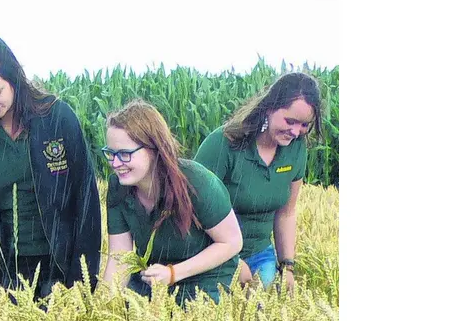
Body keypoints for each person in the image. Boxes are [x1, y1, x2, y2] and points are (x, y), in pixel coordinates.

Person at [0, 36, 102, 303]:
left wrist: (81, 282)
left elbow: (86, 203)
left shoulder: (57, 119)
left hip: (60, 271)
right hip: (3, 277)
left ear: (14, 78)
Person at [100, 100, 243, 305]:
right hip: (154, 276)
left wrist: (174, 273)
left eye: (124, 154)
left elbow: (232, 242)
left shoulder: (197, 181)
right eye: (110, 154)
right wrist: (103, 308)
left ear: (154, 148)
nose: (115, 164)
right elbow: (119, 256)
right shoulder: (117, 187)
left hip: (207, 276)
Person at [194, 72, 324, 288]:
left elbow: (286, 213)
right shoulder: (222, 144)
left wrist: (287, 265)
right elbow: (192, 211)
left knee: (268, 308)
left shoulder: (297, 149)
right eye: (290, 121)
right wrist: (230, 259)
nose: (295, 131)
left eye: (304, 125)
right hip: (211, 251)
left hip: (261, 255)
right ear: (269, 108)